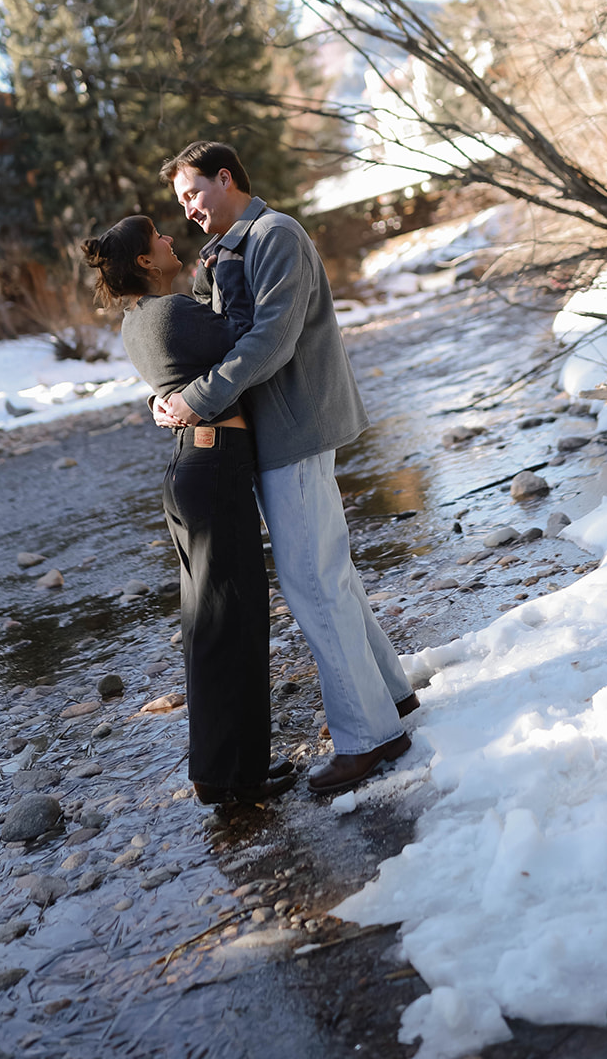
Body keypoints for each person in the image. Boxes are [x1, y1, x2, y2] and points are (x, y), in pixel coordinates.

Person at [153, 141, 419, 795]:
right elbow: (214, 338)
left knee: (310, 581)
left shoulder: (274, 234)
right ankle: (392, 698)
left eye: (193, 192)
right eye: (179, 202)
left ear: (225, 176)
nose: (188, 209)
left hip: (294, 428)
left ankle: (368, 738)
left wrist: (199, 398)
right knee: (332, 574)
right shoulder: (227, 251)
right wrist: (174, 387)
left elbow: (271, 339)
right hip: (278, 433)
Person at [81, 215, 294, 807]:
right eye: (159, 240)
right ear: (147, 262)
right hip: (215, 467)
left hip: (190, 472)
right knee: (236, 624)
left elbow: (196, 352)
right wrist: (228, 267)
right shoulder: (172, 313)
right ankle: (238, 776)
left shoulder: (138, 322)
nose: (171, 241)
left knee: (209, 627)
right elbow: (248, 333)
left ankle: (218, 772)